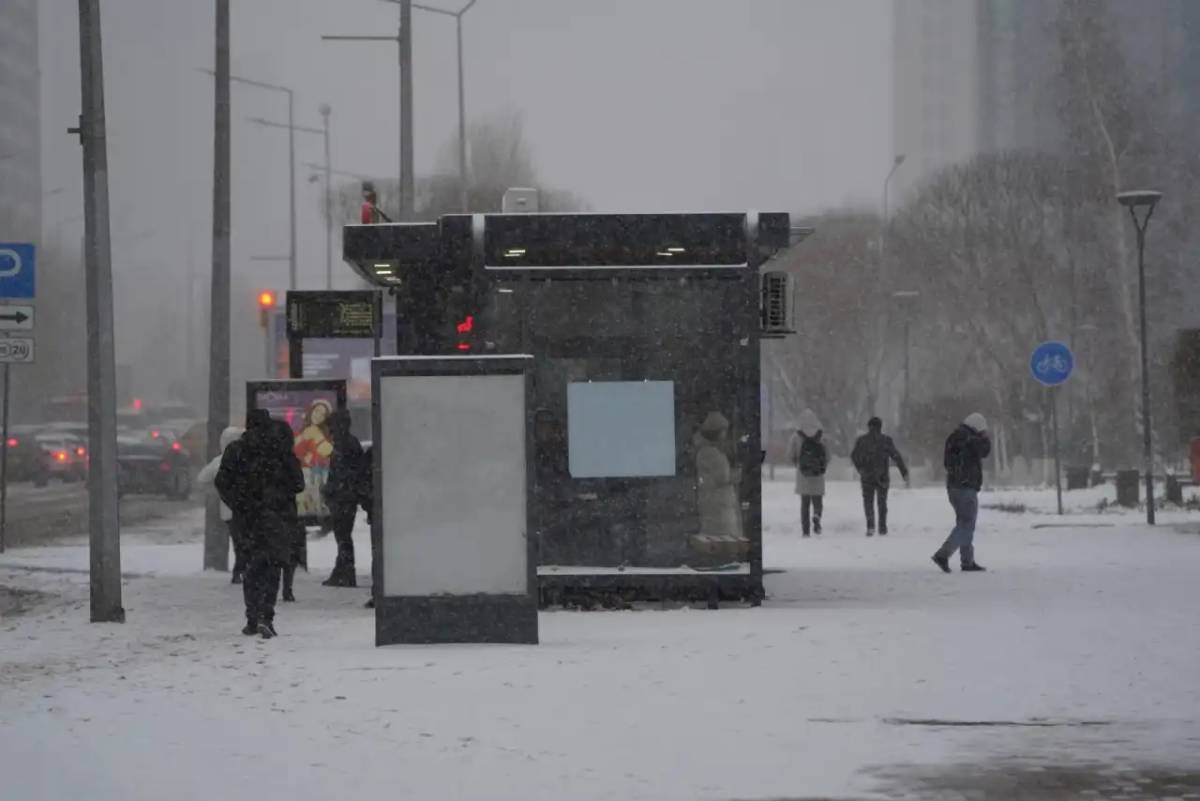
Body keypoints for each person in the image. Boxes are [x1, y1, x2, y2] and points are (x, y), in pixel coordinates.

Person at [216, 410, 305, 639]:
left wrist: (238, 502)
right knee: (272, 567)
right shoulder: (280, 451)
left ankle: (252, 618)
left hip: (246, 519)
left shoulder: (236, 451)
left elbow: (222, 482)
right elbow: (298, 483)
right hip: (276, 517)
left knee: (251, 567)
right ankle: (267, 615)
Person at [933, 412, 992, 573]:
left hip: (953, 487)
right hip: (966, 488)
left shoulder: (953, 438)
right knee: (967, 526)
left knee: (964, 524)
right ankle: (943, 555)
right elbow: (985, 451)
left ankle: (967, 561)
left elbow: (947, 463)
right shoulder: (971, 439)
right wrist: (984, 437)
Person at [195, 426, 246, 583]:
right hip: (242, 509)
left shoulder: (219, 461)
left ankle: (240, 570)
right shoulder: (245, 460)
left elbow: (202, 478)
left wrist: (217, 491)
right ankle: (241, 571)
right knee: (243, 542)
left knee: (239, 542)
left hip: (228, 508)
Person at [321, 410, 365, 587]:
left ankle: (346, 572)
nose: (330, 431)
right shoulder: (346, 443)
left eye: (332, 426)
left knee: (343, 536)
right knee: (342, 536)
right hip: (343, 497)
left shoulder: (346, 444)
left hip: (344, 498)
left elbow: (345, 474)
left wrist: (334, 489)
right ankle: (342, 571)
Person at [850, 416, 909, 536]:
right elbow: (896, 456)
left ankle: (870, 526)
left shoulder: (862, 440)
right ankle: (882, 527)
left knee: (868, 502)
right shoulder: (886, 440)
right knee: (882, 503)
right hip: (882, 475)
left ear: (869, 426)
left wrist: (860, 468)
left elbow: (854, 456)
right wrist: (904, 472)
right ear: (880, 427)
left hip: (867, 475)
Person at [786, 409, 828, 536]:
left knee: (804, 504)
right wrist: (821, 466)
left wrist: (798, 464)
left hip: (803, 474)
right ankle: (817, 515)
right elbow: (827, 456)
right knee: (817, 501)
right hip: (818, 475)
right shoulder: (822, 436)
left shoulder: (796, 436)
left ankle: (805, 531)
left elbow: (790, 455)